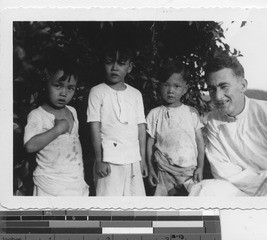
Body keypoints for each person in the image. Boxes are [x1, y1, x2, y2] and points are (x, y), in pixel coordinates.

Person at [189, 54, 267, 197]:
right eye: (212, 89)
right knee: (203, 190)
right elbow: (222, 171)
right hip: (243, 191)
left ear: (243, 85)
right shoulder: (213, 121)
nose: (218, 96)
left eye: (224, 87)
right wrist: (262, 186)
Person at [24, 50, 89, 196]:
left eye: (70, 88)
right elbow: (29, 146)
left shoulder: (72, 111)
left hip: (75, 183)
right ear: (45, 83)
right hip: (49, 185)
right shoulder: (38, 115)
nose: (64, 93)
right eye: (58, 86)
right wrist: (57, 130)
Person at [87, 43, 147, 196]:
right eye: (109, 62)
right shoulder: (97, 92)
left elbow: (141, 128)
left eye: (121, 63)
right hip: (108, 160)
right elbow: (94, 126)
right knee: (109, 206)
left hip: (133, 159)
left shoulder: (135, 94)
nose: (114, 68)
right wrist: (99, 159)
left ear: (130, 67)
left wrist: (143, 159)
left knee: (136, 205)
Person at [146, 60, 205, 196]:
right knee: (164, 207)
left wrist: (201, 167)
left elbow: (200, 142)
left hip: (189, 170)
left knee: (191, 203)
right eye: (166, 85)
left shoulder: (191, 112)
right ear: (159, 86)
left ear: (185, 88)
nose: (171, 90)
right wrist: (151, 168)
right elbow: (149, 144)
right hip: (164, 169)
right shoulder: (155, 114)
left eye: (177, 86)